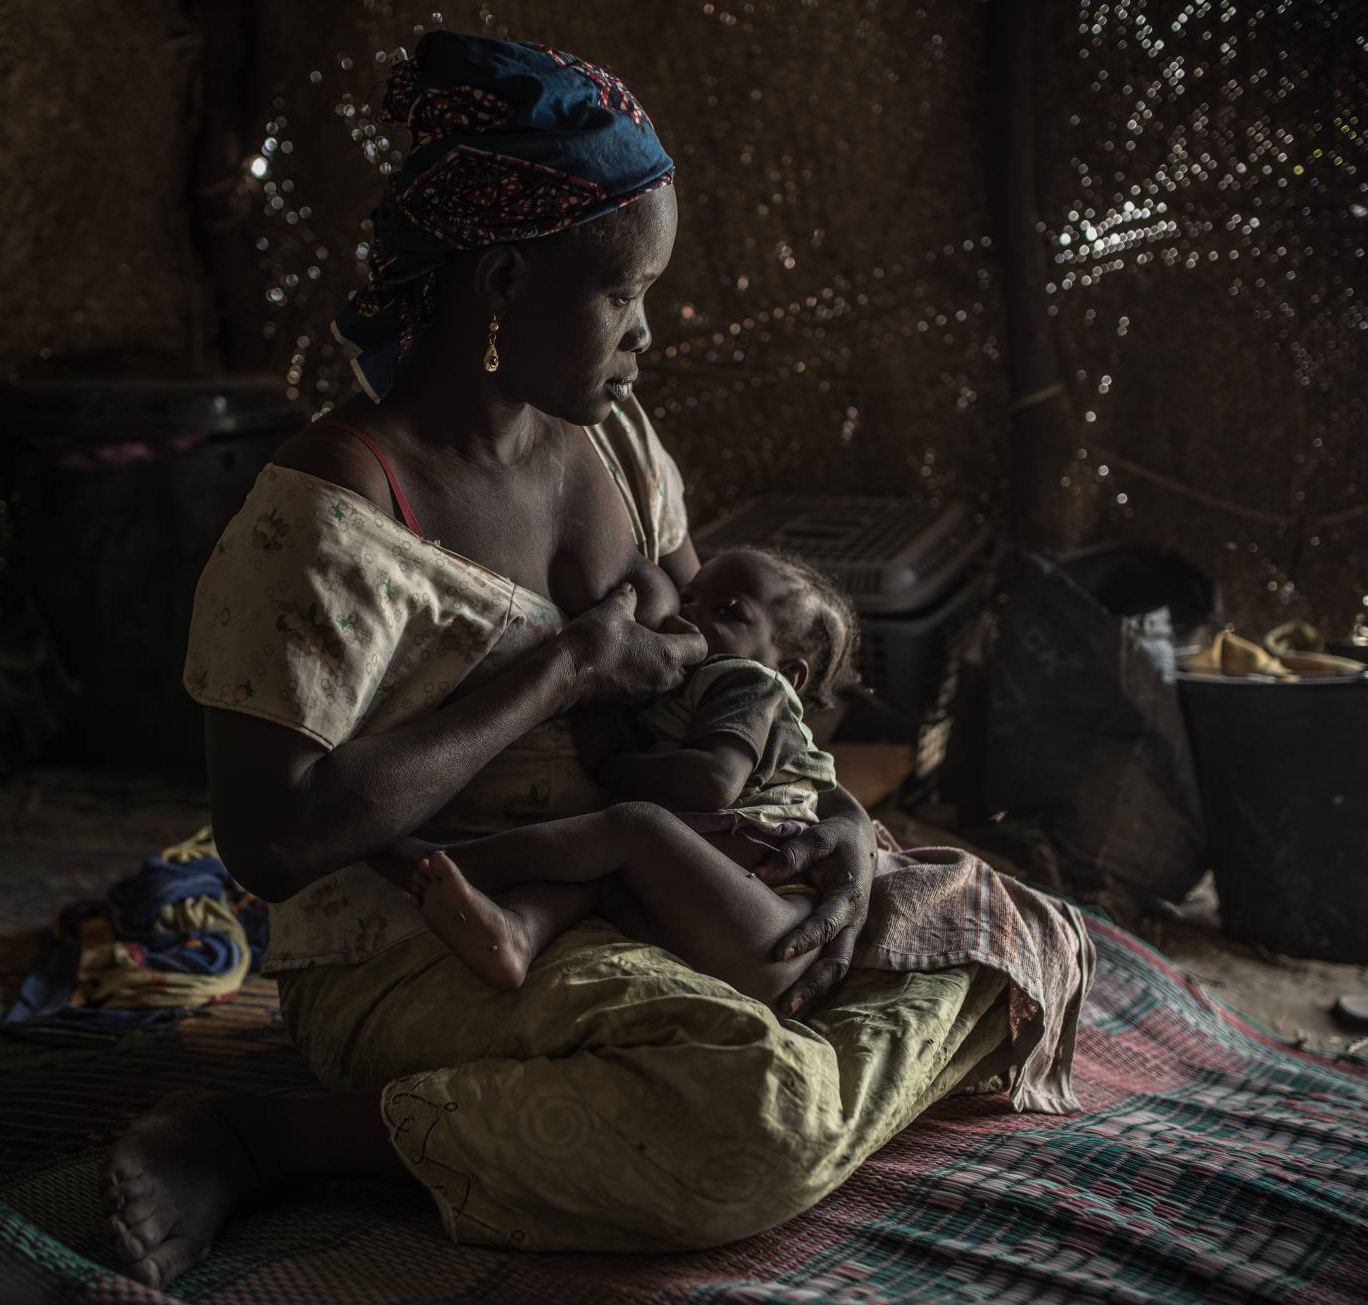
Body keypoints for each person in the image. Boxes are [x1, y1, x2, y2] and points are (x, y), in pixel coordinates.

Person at [102, 32, 1092, 1291]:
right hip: (436, 939)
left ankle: (662, 1082)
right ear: (505, 278)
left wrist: (839, 822)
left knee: (1019, 938)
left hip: (656, 885)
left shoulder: (613, 439)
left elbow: (721, 693)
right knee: (755, 1117)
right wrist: (563, 669)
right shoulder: (334, 515)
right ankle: (272, 1138)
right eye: (623, 294)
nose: (644, 332)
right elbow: (272, 840)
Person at [382, 546, 863, 1004]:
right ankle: (518, 933)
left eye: (727, 612)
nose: (689, 614)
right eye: (688, 597)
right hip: (725, 917)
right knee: (597, 874)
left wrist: (611, 764)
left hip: (778, 923)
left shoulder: (751, 683)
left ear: (789, 671)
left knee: (633, 825)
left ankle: (443, 861)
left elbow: (714, 782)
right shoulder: (687, 692)